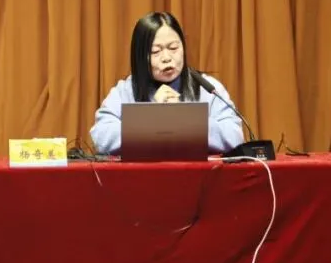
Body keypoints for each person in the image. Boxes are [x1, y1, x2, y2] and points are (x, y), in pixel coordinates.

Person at [90, 11, 244, 156]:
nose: (167, 58)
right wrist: (155, 118)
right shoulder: (126, 90)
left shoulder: (207, 88)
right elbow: (101, 136)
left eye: (173, 48)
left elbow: (234, 136)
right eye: (155, 51)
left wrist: (185, 117)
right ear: (140, 56)